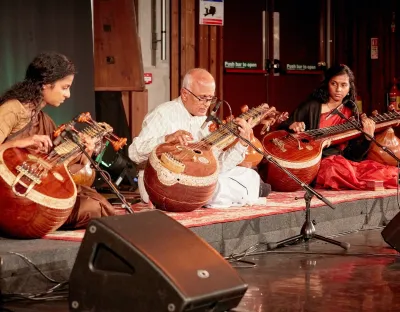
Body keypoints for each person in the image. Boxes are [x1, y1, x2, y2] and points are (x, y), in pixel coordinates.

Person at [0, 51, 115, 229]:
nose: (68, 94)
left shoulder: (44, 120)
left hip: (36, 191)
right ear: (46, 84)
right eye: (64, 87)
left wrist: (85, 152)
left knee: (93, 202)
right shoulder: (12, 109)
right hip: (9, 192)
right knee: (91, 207)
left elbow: (58, 169)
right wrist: (18, 143)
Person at [129, 68, 271, 208]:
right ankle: (249, 192)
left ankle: (246, 190)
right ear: (184, 94)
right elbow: (134, 153)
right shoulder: (163, 114)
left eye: (211, 98)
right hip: (161, 181)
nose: (207, 104)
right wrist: (166, 139)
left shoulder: (206, 122)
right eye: (202, 98)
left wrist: (242, 143)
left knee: (247, 174)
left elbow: (218, 166)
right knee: (214, 188)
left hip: (193, 179)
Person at [279, 64, 397, 190]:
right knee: (333, 169)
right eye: (334, 84)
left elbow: (353, 156)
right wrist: (292, 125)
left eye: (343, 85)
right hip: (316, 163)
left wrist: (368, 138)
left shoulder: (350, 113)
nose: (338, 89)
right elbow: (283, 128)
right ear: (327, 84)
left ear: (349, 88)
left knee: (385, 172)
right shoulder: (312, 107)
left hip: (341, 162)